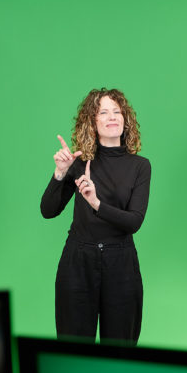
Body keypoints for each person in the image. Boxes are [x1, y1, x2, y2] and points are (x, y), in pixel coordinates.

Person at [40, 88, 151, 345]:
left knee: (121, 351)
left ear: (126, 119)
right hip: (77, 263)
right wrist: (59, 173)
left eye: (117, 111)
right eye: (103, 112)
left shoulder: (140, 166)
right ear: (92, 122)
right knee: (74, 350)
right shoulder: (79, 163)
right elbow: (48, 211)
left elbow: (134, 221)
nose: (112, 117)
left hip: (121, 264)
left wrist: (96, 203)